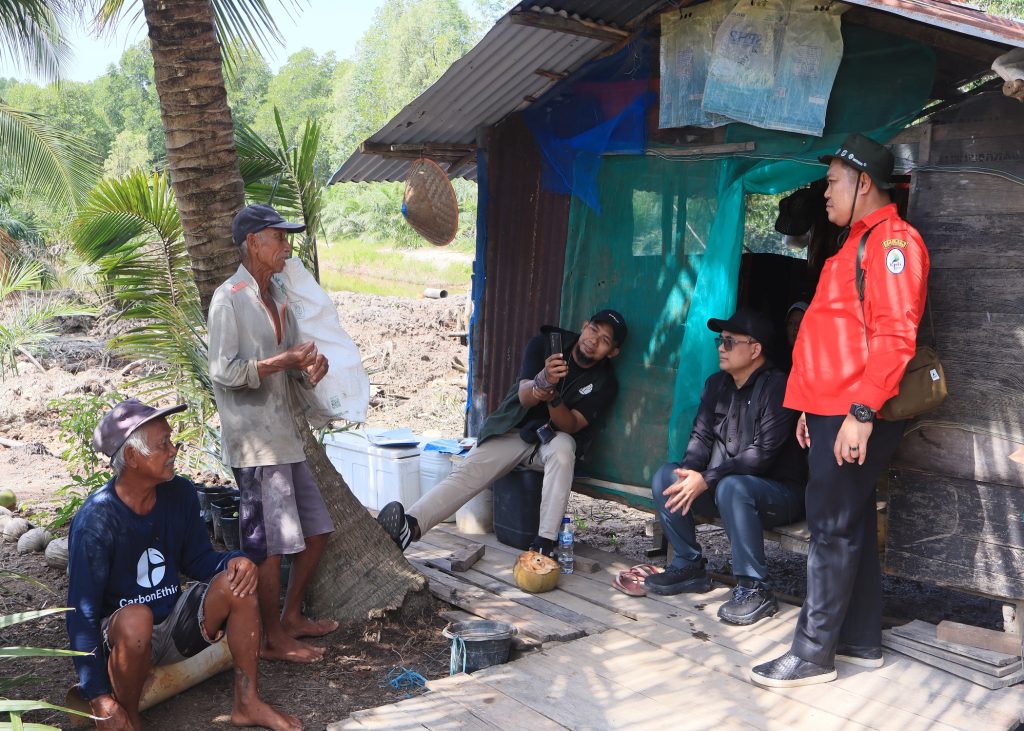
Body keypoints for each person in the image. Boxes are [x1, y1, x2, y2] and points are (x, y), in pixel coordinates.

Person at [751, 133, 929, 687]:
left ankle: (811, 654)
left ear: (864, 182)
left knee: (829, 528)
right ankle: (859, 640)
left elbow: (895, 337)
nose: (824, 193)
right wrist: (812, 407)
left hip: (857, 410)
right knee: (848, 522)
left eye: (832, 182)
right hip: (834, 408)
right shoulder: (856, 240)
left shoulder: (892, 243)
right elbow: (837, 336)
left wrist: (861, 412)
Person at [67, 398, 301, 731]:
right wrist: (98, 696)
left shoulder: (179, 493)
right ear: (132, 457)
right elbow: (82, 615)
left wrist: (235, 561)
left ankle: (247, 702)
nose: (173, 450)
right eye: (162, 444)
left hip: (174, 626)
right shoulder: (96, 521)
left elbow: (198, 559)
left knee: (238, 582)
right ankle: (128, 718)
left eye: (171, 440)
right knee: (136, 619)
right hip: (124, 640)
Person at [377, 310, 627, 558]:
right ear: (584, 326)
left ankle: (544, 544)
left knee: (564, 449)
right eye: (593, 330)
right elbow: (525, 396)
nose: (594, 340)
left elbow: (570, 424)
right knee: (467, 472)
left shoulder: (605, 382)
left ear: (613, 351)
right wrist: (543, 380)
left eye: (605, 340)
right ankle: (410, 526)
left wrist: (552, 395)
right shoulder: (547, 345)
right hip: (514, 431)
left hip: (550, 442)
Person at [207, 203, 337, 665]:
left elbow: (293, 365)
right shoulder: (229, 298)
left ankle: (291, 617)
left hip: (285, 436)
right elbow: (223, 371)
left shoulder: (279, 296)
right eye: (278, 237)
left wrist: (310, 368)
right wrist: (284, 361)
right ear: (253, 243)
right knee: (269, 549)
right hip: (256, 445)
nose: (286, 245)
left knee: (317, 531)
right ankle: (271, 638)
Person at [643, 309, 805, 626]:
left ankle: (755, 588)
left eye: (730, 342)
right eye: (721, 340)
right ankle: (689, 565)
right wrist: (690, 473)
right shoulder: (717, 384)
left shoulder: (779, 387)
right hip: (726, 489)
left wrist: (707, 478)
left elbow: (761, 456)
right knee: (667, 476)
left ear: (755, 350)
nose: (721, 347)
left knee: (733, 486)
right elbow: (700, 437)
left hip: (780, 495)